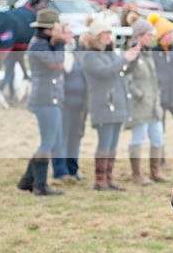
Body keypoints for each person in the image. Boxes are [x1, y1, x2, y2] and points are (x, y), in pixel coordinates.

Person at [80, 19, 137, 190]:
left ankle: (108, 178)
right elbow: (104, 72)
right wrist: (124, 59)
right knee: (104, 144)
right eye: (104, 33)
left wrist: (131, 59)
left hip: (116, 104)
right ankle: (100, 180)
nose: (108, 36)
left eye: (108, 33)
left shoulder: (109, 53)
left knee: (112, 145)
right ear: (96, 37)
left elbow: (120, 70)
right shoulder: (90, 56)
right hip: (103, 105)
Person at [17, 9, 66, 196]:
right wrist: (60, 44)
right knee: (48, 143)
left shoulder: (43, 43)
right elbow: (57, 64)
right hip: (45, 99)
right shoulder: (40, 45)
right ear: (51, 28)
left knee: (49, 141)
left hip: (49, 97)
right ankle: (40, 185)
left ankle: (27, 180)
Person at [126, 17, 167, 184]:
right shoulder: (132, 54)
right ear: (139, 36)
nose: (152, 38)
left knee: (158, 138)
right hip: (140, 106)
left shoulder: (148, 54)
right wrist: (139, 94)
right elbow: (126, 78)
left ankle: (155, 172)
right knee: (138, 139)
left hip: (153, 105)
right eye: (149, 35)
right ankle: (137, 174)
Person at [52, 24, 88, 182]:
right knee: (63, 137)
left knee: (75, 136)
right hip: (64, 103)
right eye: (67, 33)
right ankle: (60, 171)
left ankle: (73, 169)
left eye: (71, 33)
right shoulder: (58, 53)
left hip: (79, 103)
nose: (70, 36)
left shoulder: (78, 54)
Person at [149, 13, 173, 135]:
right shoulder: (152, 52)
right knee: (159, 131)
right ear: (161, 35)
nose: (171, 36)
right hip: (160, 98)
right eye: (168, 33)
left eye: (172, 33)